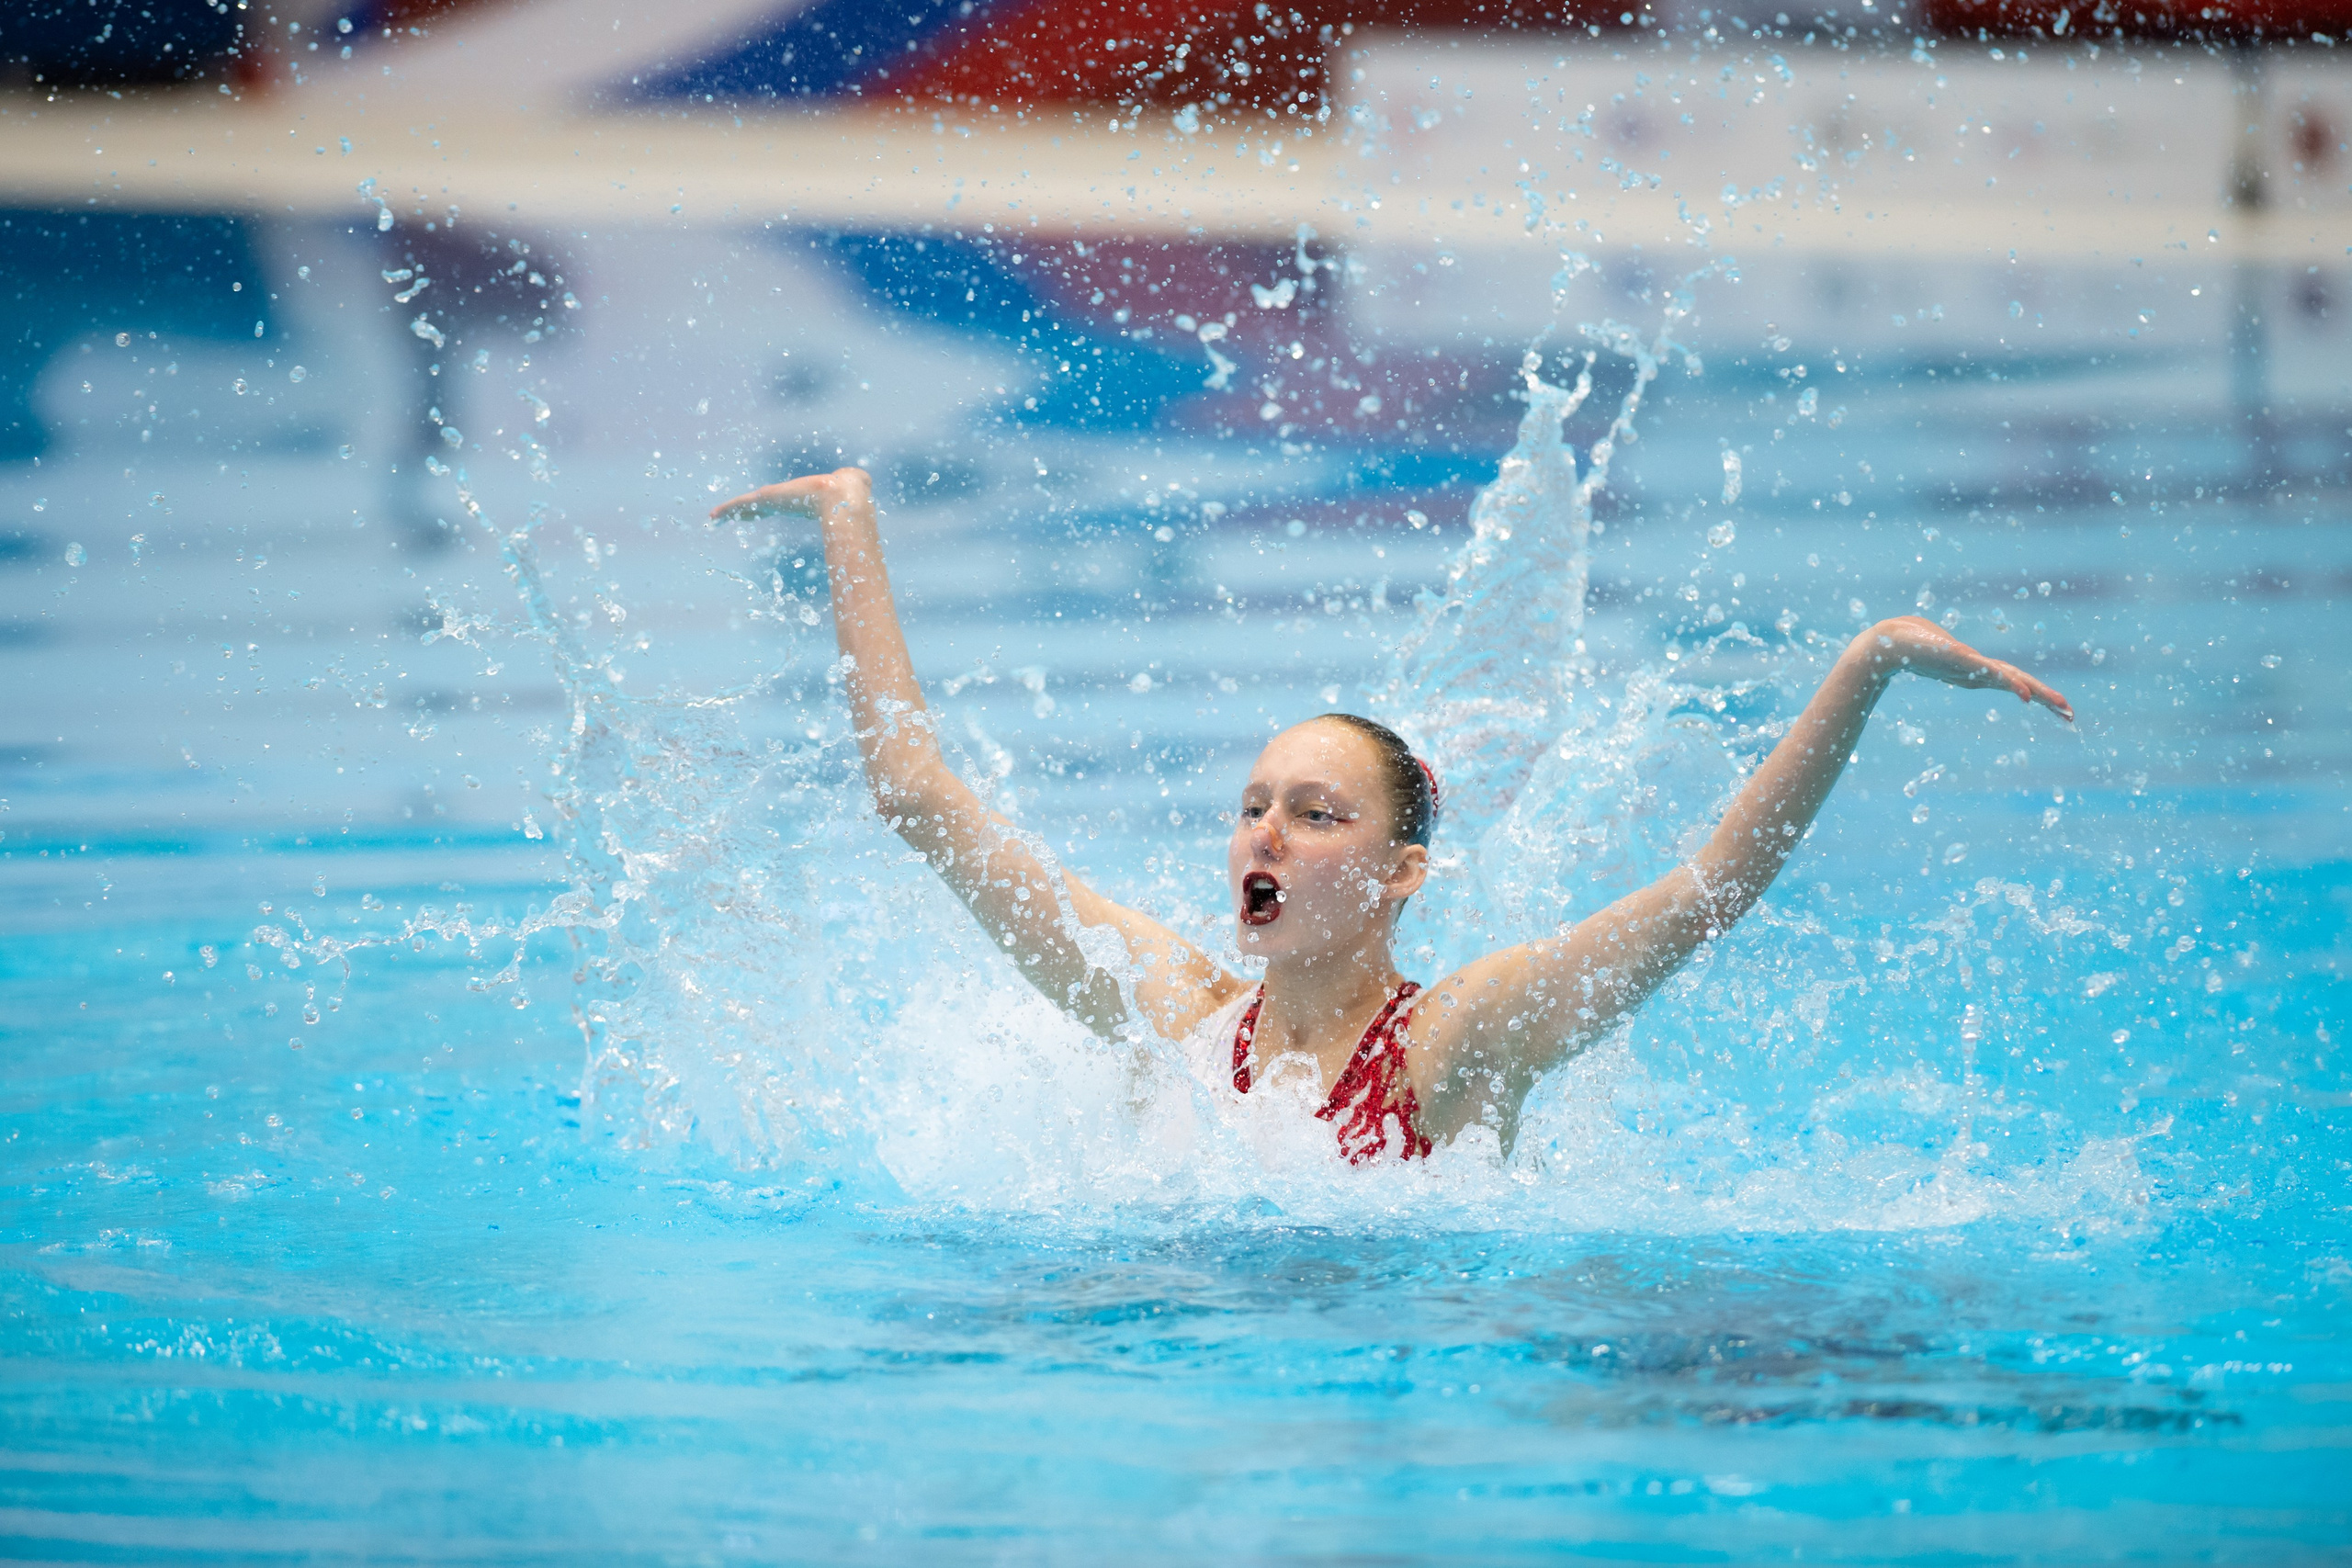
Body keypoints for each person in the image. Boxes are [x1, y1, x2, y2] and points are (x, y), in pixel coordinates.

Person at [711, 467, 2075, 1164]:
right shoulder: (1176, 1013)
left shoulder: (1461, 1038)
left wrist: (1869, 664)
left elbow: (1712, 885)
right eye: (1254, 808)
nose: (1264, 835)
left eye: (1314, 815)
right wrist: (847, 521)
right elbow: (919, 802)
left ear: (1403, 870)